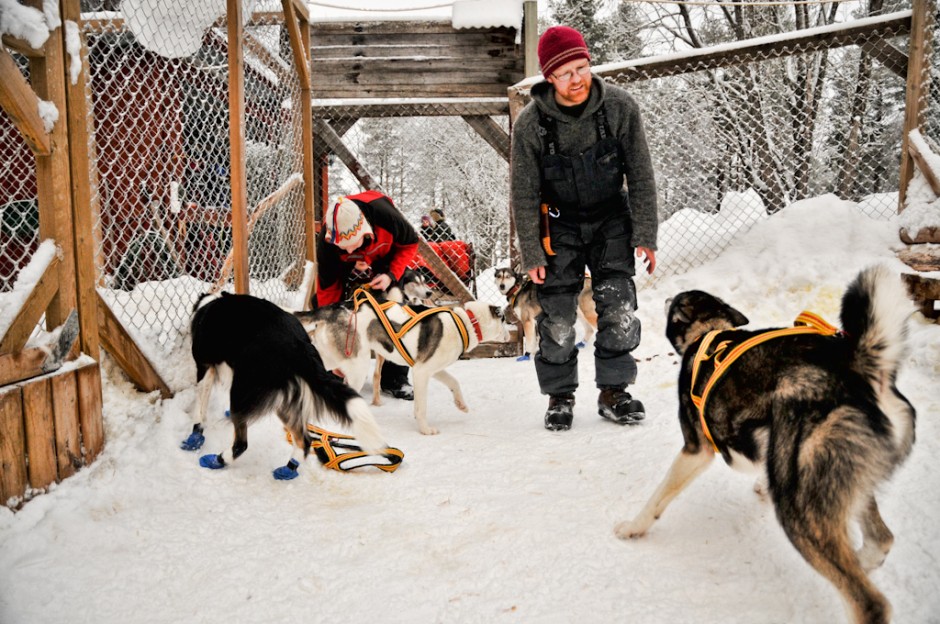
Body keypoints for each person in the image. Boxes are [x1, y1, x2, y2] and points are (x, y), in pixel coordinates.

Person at [510, 25, 658, 432]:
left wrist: (645, 233)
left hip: (612, 217)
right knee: (556, 314)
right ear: (549, 78)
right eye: (565, 72)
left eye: (582, 67)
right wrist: (532, 253)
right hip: (558, 223)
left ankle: (615, 391)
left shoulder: (619, 108)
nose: (577, 79)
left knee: (618, 304)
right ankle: (560, 396)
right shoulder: (531, 125)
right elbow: (523, 192)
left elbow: (641, 175)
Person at [315, 190, 419, 400]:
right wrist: (335, 344)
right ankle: (334, 371)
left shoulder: (387, 217)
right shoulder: (328, 244)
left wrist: (391, 275)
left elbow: (410, 244)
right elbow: (328, 290)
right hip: (345, 268)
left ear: (365, 231)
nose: (348, 249)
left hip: (385, 260)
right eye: (341, 247)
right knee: (326, 310)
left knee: (397, 310)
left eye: (351, 243)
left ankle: (395, 378)